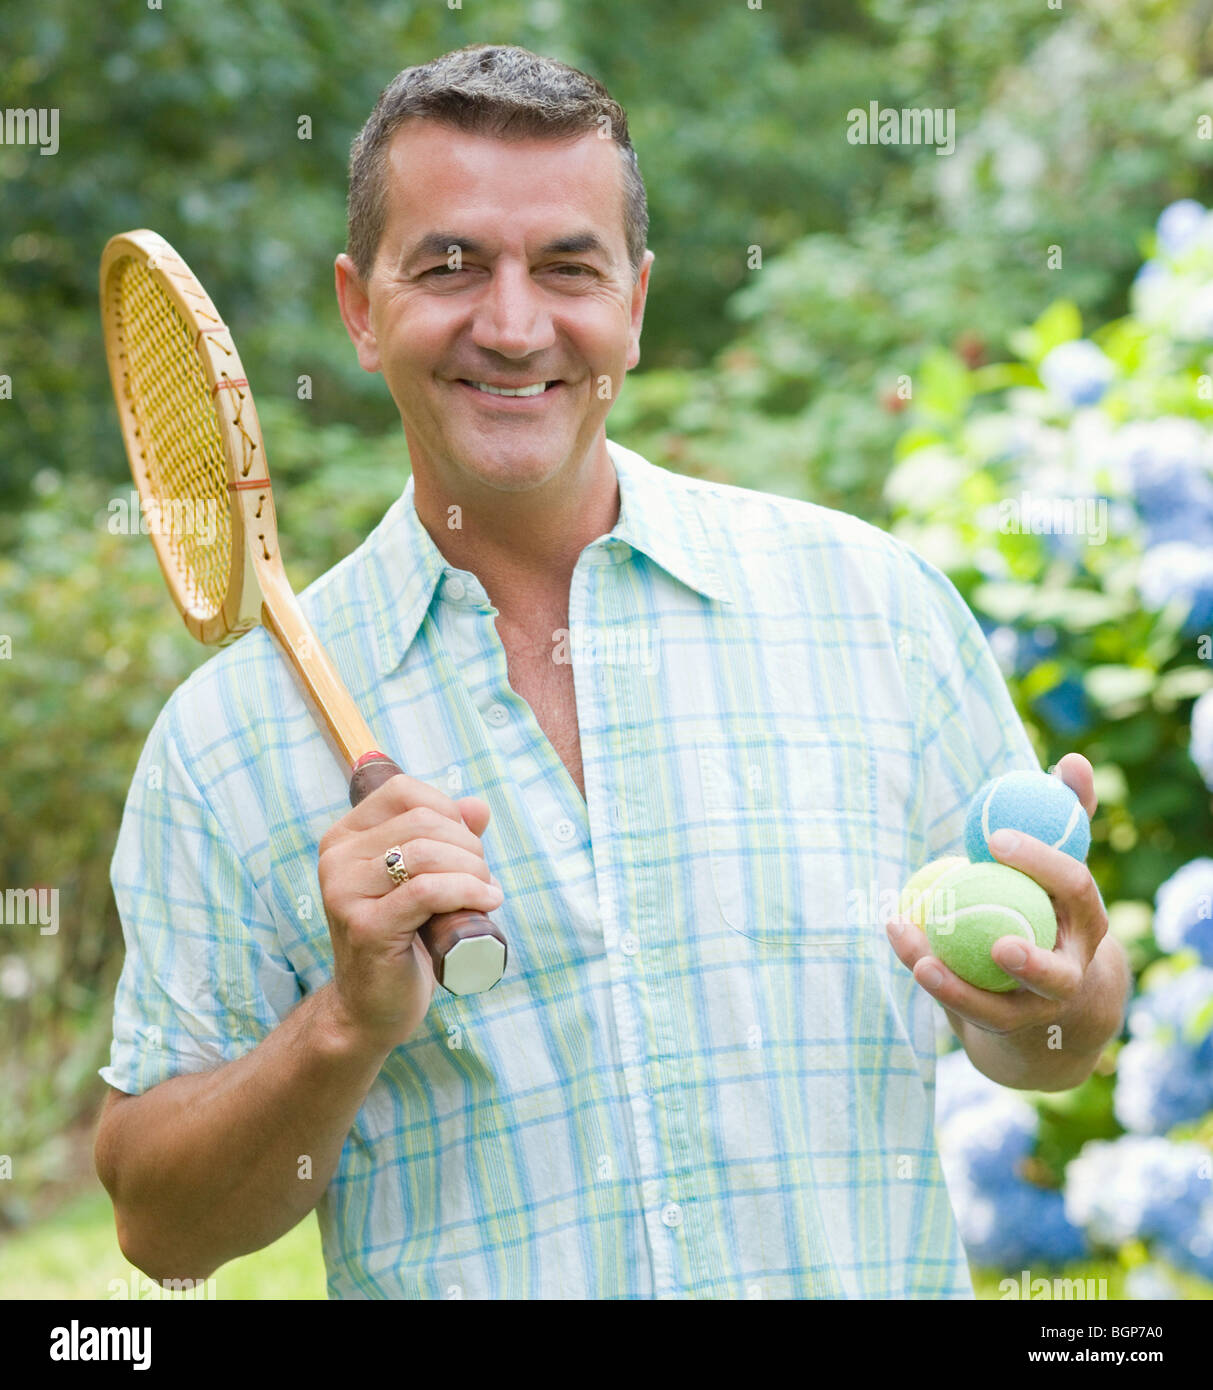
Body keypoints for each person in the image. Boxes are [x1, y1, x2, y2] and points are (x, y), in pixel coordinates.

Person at [95, 43, 1130, 1300]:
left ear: (634, 303)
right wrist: (344, 1025)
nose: (515, 323)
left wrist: (1059, 1002)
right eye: (451, 265)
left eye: (567, 268)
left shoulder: (873, 610)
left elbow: (1050, 1043)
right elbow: (162, 1226)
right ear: (359, 307)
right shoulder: (226, 743)